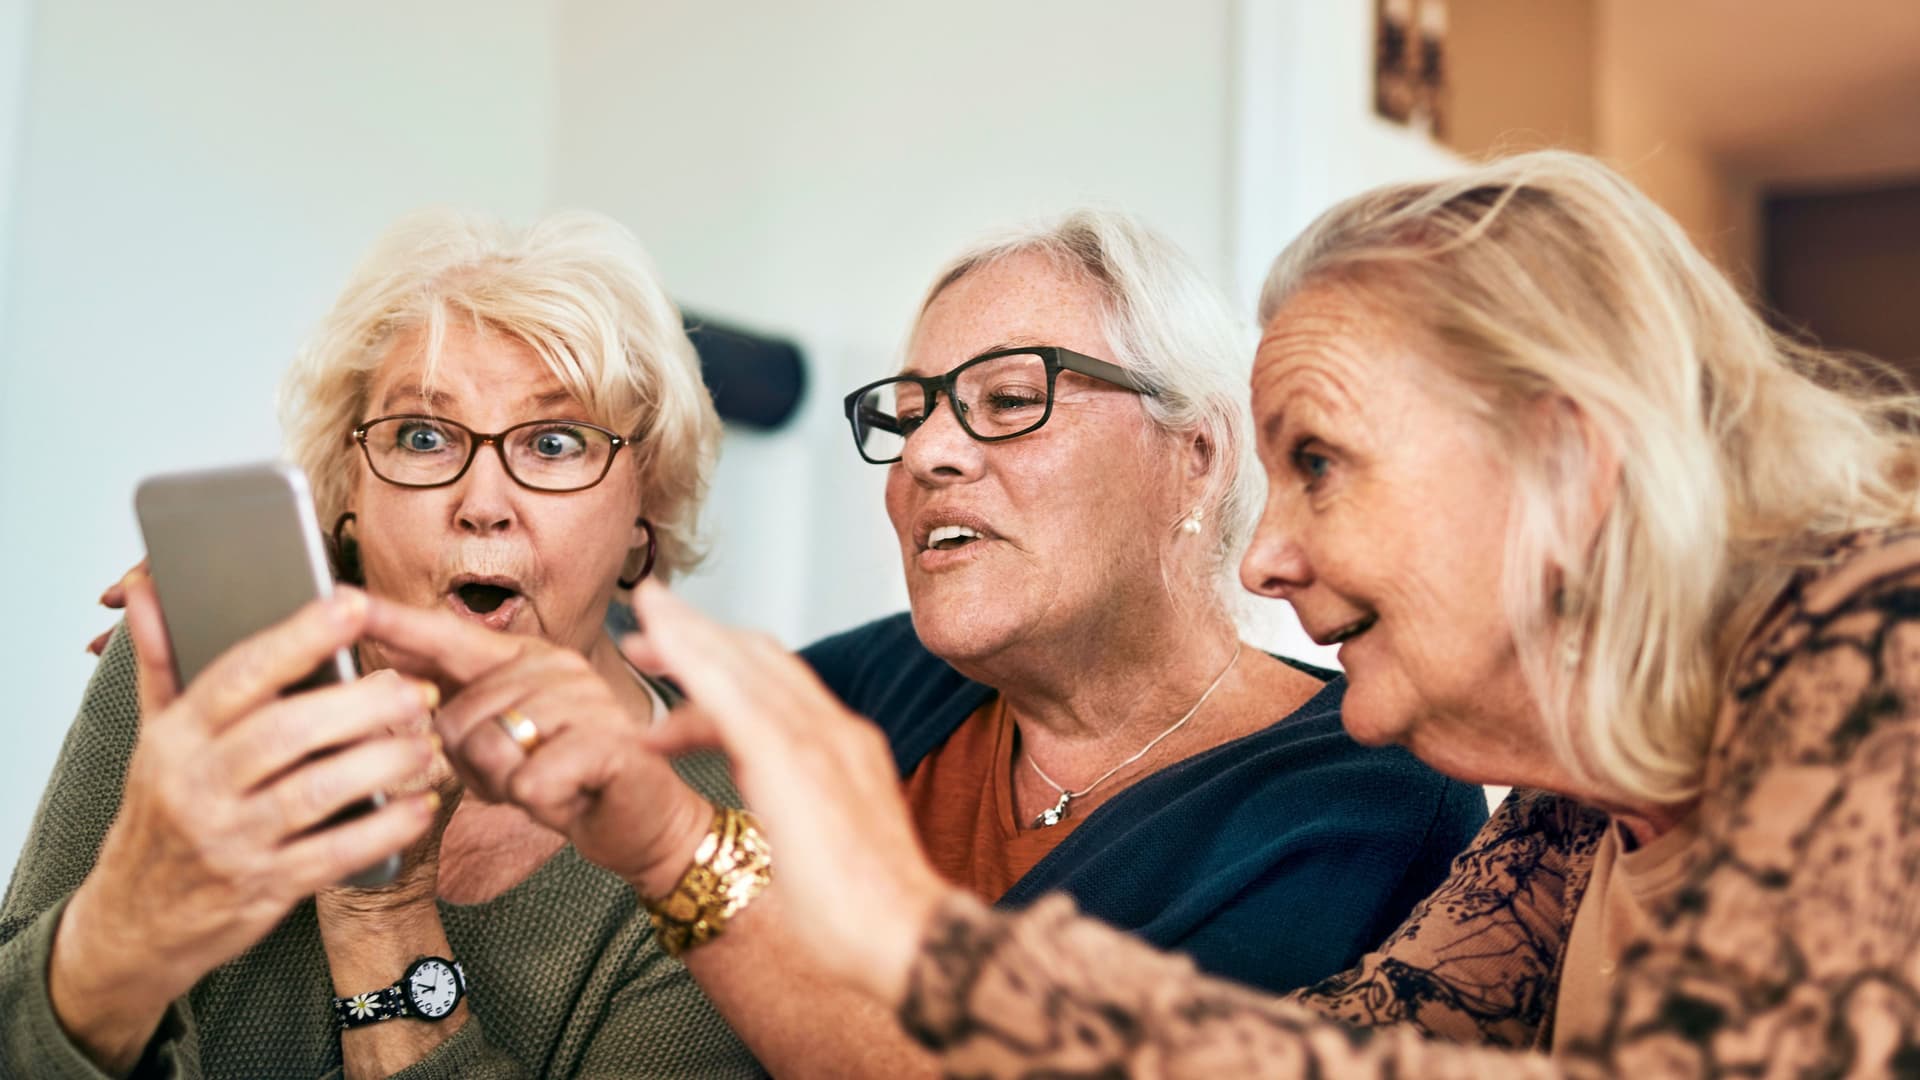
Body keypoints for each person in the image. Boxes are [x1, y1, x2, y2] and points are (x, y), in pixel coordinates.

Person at [426, 149, 1920, 1076]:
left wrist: (904, 938)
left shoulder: (1882, 644)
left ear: (1570, 466)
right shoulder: (1567, 829)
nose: (1271, 558)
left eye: (1321, 463)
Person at [369, 208, 1487, 1077]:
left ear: (1194, 458)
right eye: (909, 413)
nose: (928, 455)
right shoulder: (877, 682)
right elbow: (638, 711)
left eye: (1006, 399)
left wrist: (674, 850)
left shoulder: (1365, 797)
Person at [0, 210, 761, 1078]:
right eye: (423, 437)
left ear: (644, 511)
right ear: (348, 490)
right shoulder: (194, 675)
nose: (482, 502)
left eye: (555, 443)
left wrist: (384, 911)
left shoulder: (722, 841)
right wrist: (130, 923)